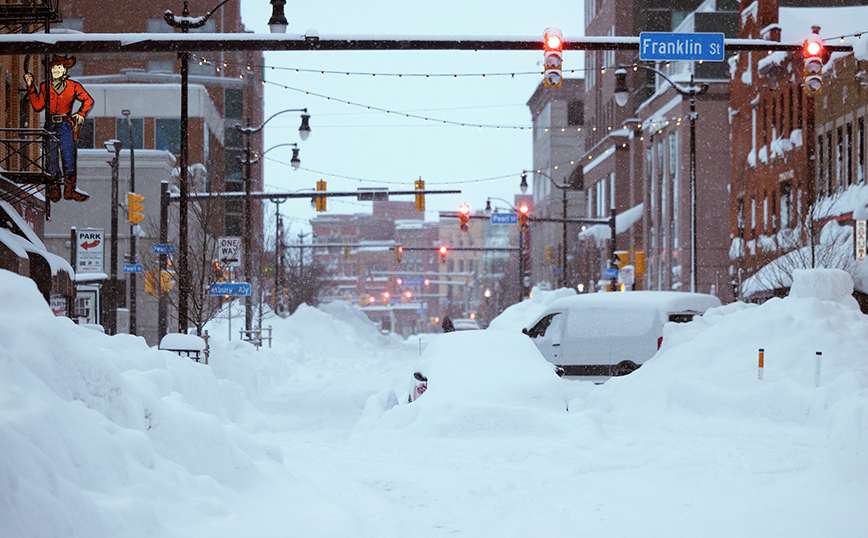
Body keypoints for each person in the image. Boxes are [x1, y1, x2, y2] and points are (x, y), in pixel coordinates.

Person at [24, 54, 94, 202]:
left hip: (66, 124)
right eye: (54, 67)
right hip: (50, 125)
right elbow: (37, 105)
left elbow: (88, 100)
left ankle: (70, 189)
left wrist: (81, 114)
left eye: (59, 67)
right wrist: (30, 86)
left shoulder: (73, 86)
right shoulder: (45, 86)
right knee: (51, 157)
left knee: (68, 156)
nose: (56, 70)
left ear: (65, 69)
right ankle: (54, 188)